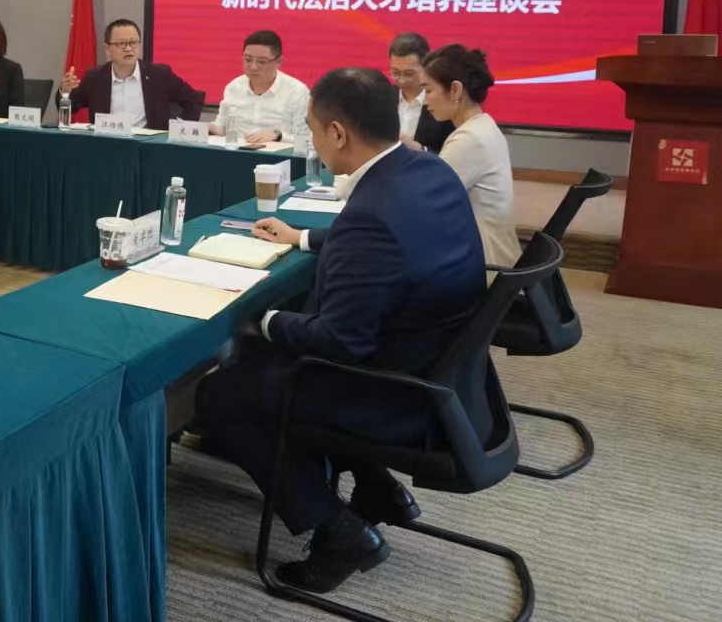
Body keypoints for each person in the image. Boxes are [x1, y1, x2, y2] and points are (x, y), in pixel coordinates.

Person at [194, 68, 486, 594]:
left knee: (223, 392)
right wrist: (304, 238)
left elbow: (339, 342)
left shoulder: (371, 212)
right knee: (263, 360)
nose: (313, 141)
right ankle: (378, 489)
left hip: (393, 392)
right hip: (444, 373)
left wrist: (257, 317)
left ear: (337, 133)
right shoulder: (425, 170)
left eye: (312, 129)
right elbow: (393, 242)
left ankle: (339, 532)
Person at [422, 44, 522, 268]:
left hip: (484, 265)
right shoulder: (482, 126)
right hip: (482, 254)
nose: (425, 101)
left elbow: (424, 202)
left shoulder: (469, 139)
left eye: (428, 90)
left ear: (455, 90)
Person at [59, 19, 202, 130]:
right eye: (121, 44)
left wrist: (179, 129)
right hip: (108, 143)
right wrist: (65, 92)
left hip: (148, 145)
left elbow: (193, 99)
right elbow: (72, 106)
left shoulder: (159, 75)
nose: (128, 49)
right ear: (107, 49)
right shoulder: (95, 77)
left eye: (133, 42)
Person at [210, 30, 310, 148]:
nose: (253, 67)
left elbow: (306, 140)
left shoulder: (297, 91)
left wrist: (278, 136)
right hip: (237, 153)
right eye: (248, 60)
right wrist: (208, 129)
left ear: (279, 61)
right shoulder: (233, 87)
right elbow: (221, 128)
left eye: (262, 62)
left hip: (277, 157)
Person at [387, 32, 454, 154]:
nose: (402, 80)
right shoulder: (382, 97)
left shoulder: (443, 101)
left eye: (409, 73)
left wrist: (421, 150)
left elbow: (454, 154)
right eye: (395, 73)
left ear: (426, 65)